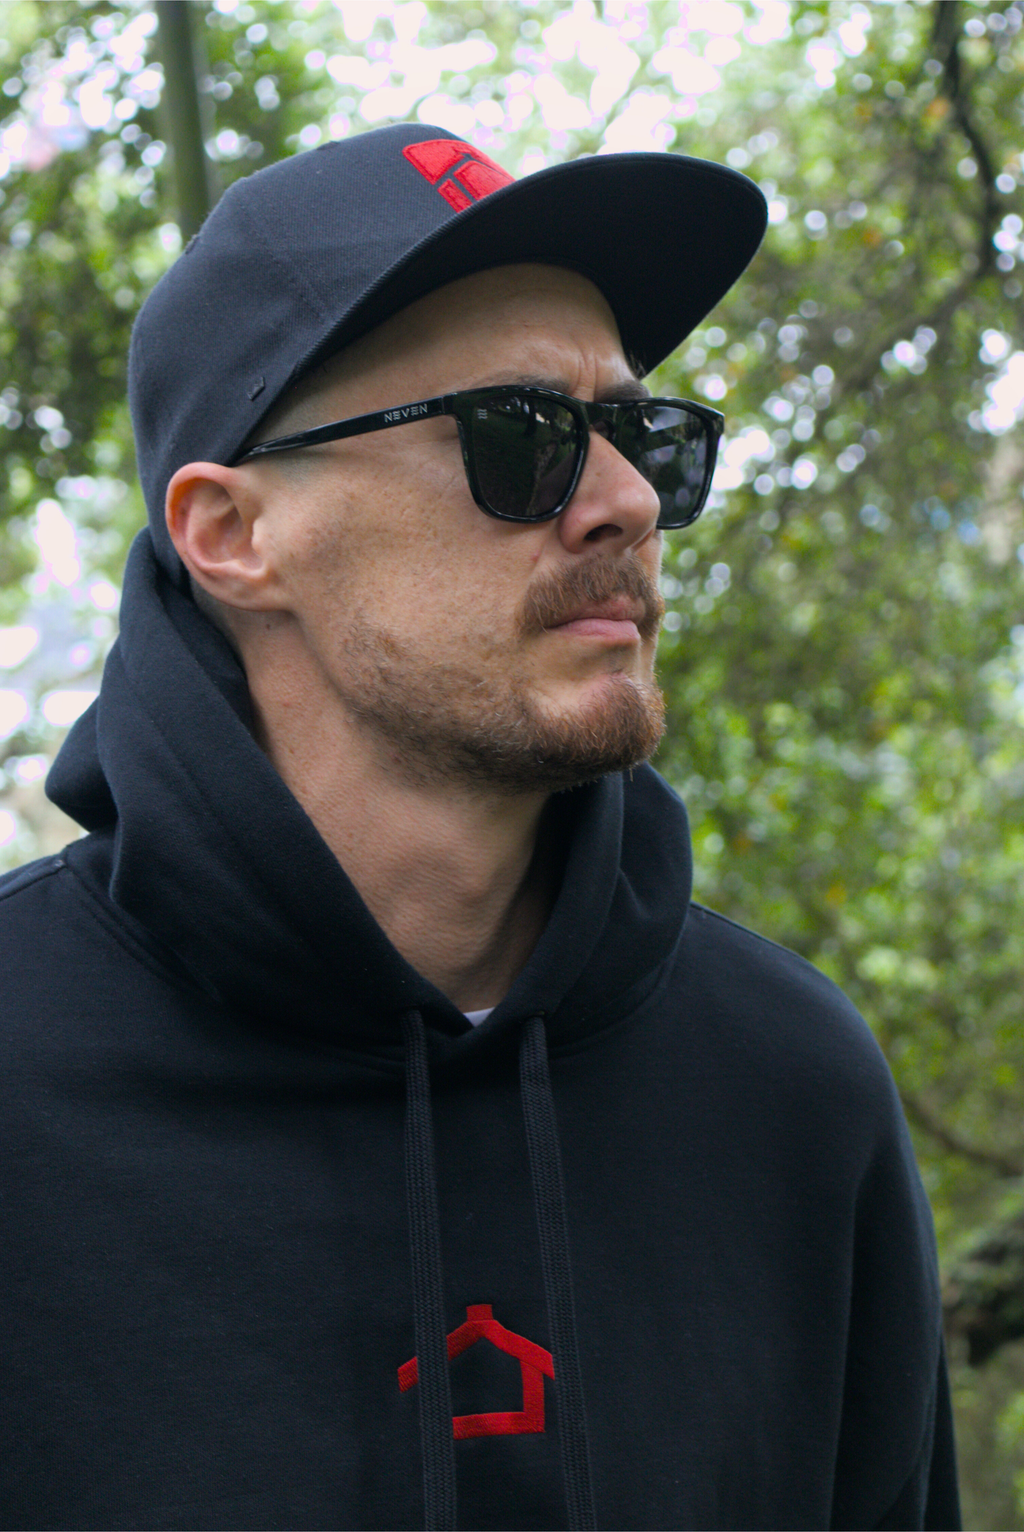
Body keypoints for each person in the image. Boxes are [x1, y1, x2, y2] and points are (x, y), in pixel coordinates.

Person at [0, 123, 959, 1532]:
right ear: (232, 534)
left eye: (642, 437)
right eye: (525, 436)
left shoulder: (794, 1096)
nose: (628, 504)